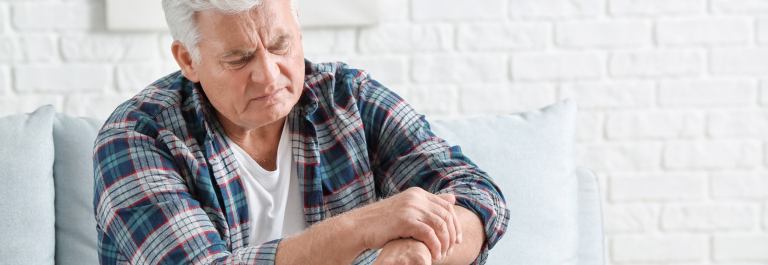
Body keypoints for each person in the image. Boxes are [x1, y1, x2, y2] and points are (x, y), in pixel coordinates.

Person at [92, 0, 509, 264]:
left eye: (280, 45)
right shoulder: (136, 138)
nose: (268, 75)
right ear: (189, 60)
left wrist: (416, 251)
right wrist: (363, 229)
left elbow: (477, 195)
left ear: (298, 27)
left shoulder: (348, 98)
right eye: (238, 58)